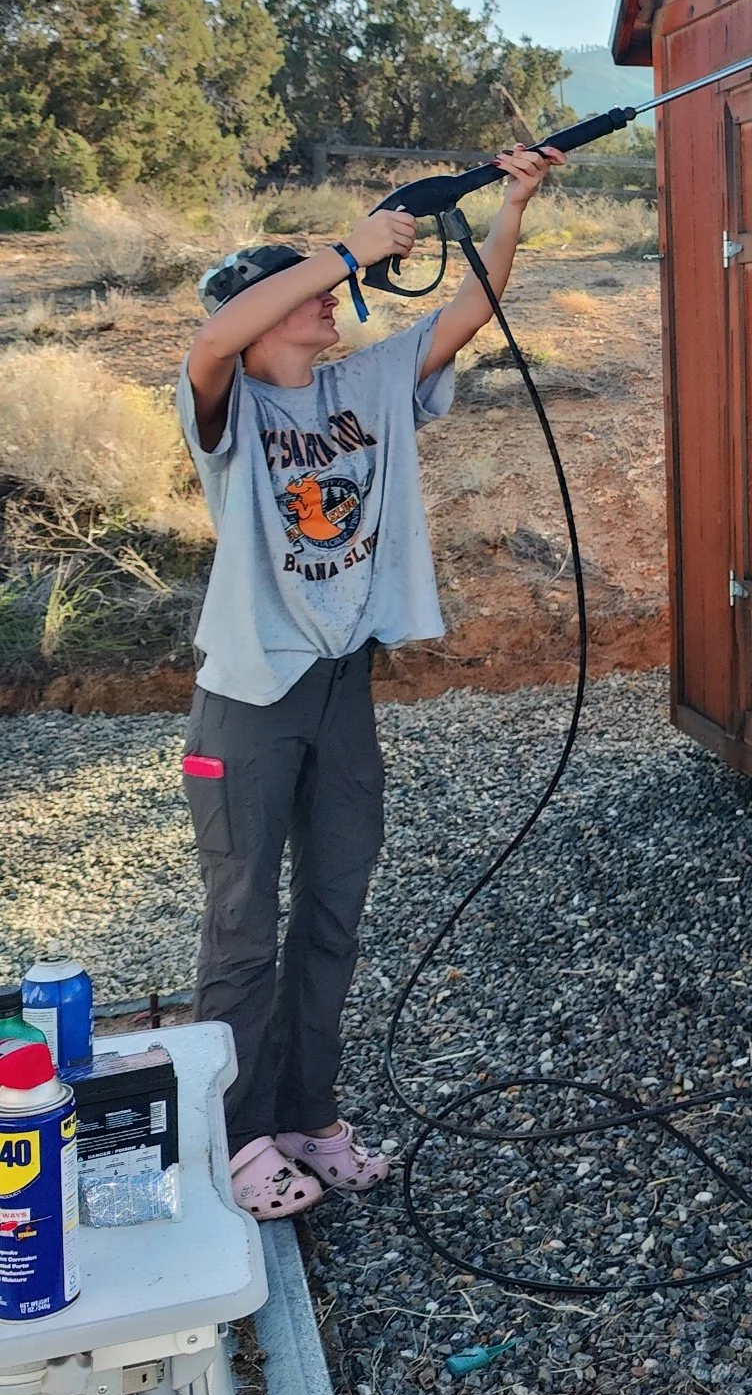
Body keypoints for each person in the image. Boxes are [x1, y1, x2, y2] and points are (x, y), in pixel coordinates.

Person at [177, 144, 563, 1219]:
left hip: (344, 685)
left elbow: (468, 313)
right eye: (307, 295)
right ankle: (237, 1133)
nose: (333, 303)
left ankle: (305, 1112)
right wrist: (345, 243)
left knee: (335, 908)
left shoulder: (365, 382)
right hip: (250, 695)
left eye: (334, 291)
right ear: (260, 317)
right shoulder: (227, 408)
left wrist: (513, 205)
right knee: (244, 923)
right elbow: (211, 339)